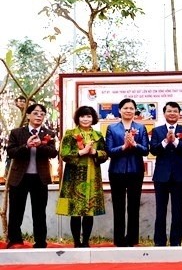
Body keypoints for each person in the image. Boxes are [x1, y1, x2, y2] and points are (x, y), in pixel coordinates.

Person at [5, 103, 58, 248]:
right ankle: (15, 239)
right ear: (28, 115)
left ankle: (40, 241)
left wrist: (41, 144)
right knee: (16, 210)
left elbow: (54, 153)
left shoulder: (49, 133)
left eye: (42, 113)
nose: (39, 116)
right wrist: (26, 146)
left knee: (39, 211)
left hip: (40, 178)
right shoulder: (17, 133)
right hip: (19, 177)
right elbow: (10, 152)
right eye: (35, 113)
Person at [56, 106, 108, 248]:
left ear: (93, 118)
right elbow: (64, 154)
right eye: (83, 116)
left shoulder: (98, 135)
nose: (86, 119)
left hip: (92, 177)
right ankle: (76, 242)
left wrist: (94, 152)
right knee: (76, 210)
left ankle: (86, 241)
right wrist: (81, 152)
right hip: (74, 178)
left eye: (89, 116)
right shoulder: (70, 133)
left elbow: (105, 154)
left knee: (89, 211)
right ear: (78, 118)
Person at [105, 98, 149, 247]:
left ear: (135, 110)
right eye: (125, 108)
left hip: (136, 171)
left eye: (131, 108)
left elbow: (145, 150)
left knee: (134, 205)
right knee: (118, 206)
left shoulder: (141, 128)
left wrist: (134, 144)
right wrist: (124, 147)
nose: (128, 111)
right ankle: (119, 239)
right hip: (117, 171)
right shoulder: (112, 128)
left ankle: (132, 239)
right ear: (120, 110)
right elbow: (109, 151)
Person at [149, 101, 182, 246]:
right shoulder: (157, 131)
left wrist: (175, 141)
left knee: (177, 211)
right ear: (164, 113)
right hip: (161, 176)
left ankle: (176, 242)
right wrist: (165, 141)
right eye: (169, 111)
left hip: (179, 176)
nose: (172, 113)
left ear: (179, 114)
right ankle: (159, 242)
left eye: (175, 111)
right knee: (160, 211)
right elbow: (153, 150)